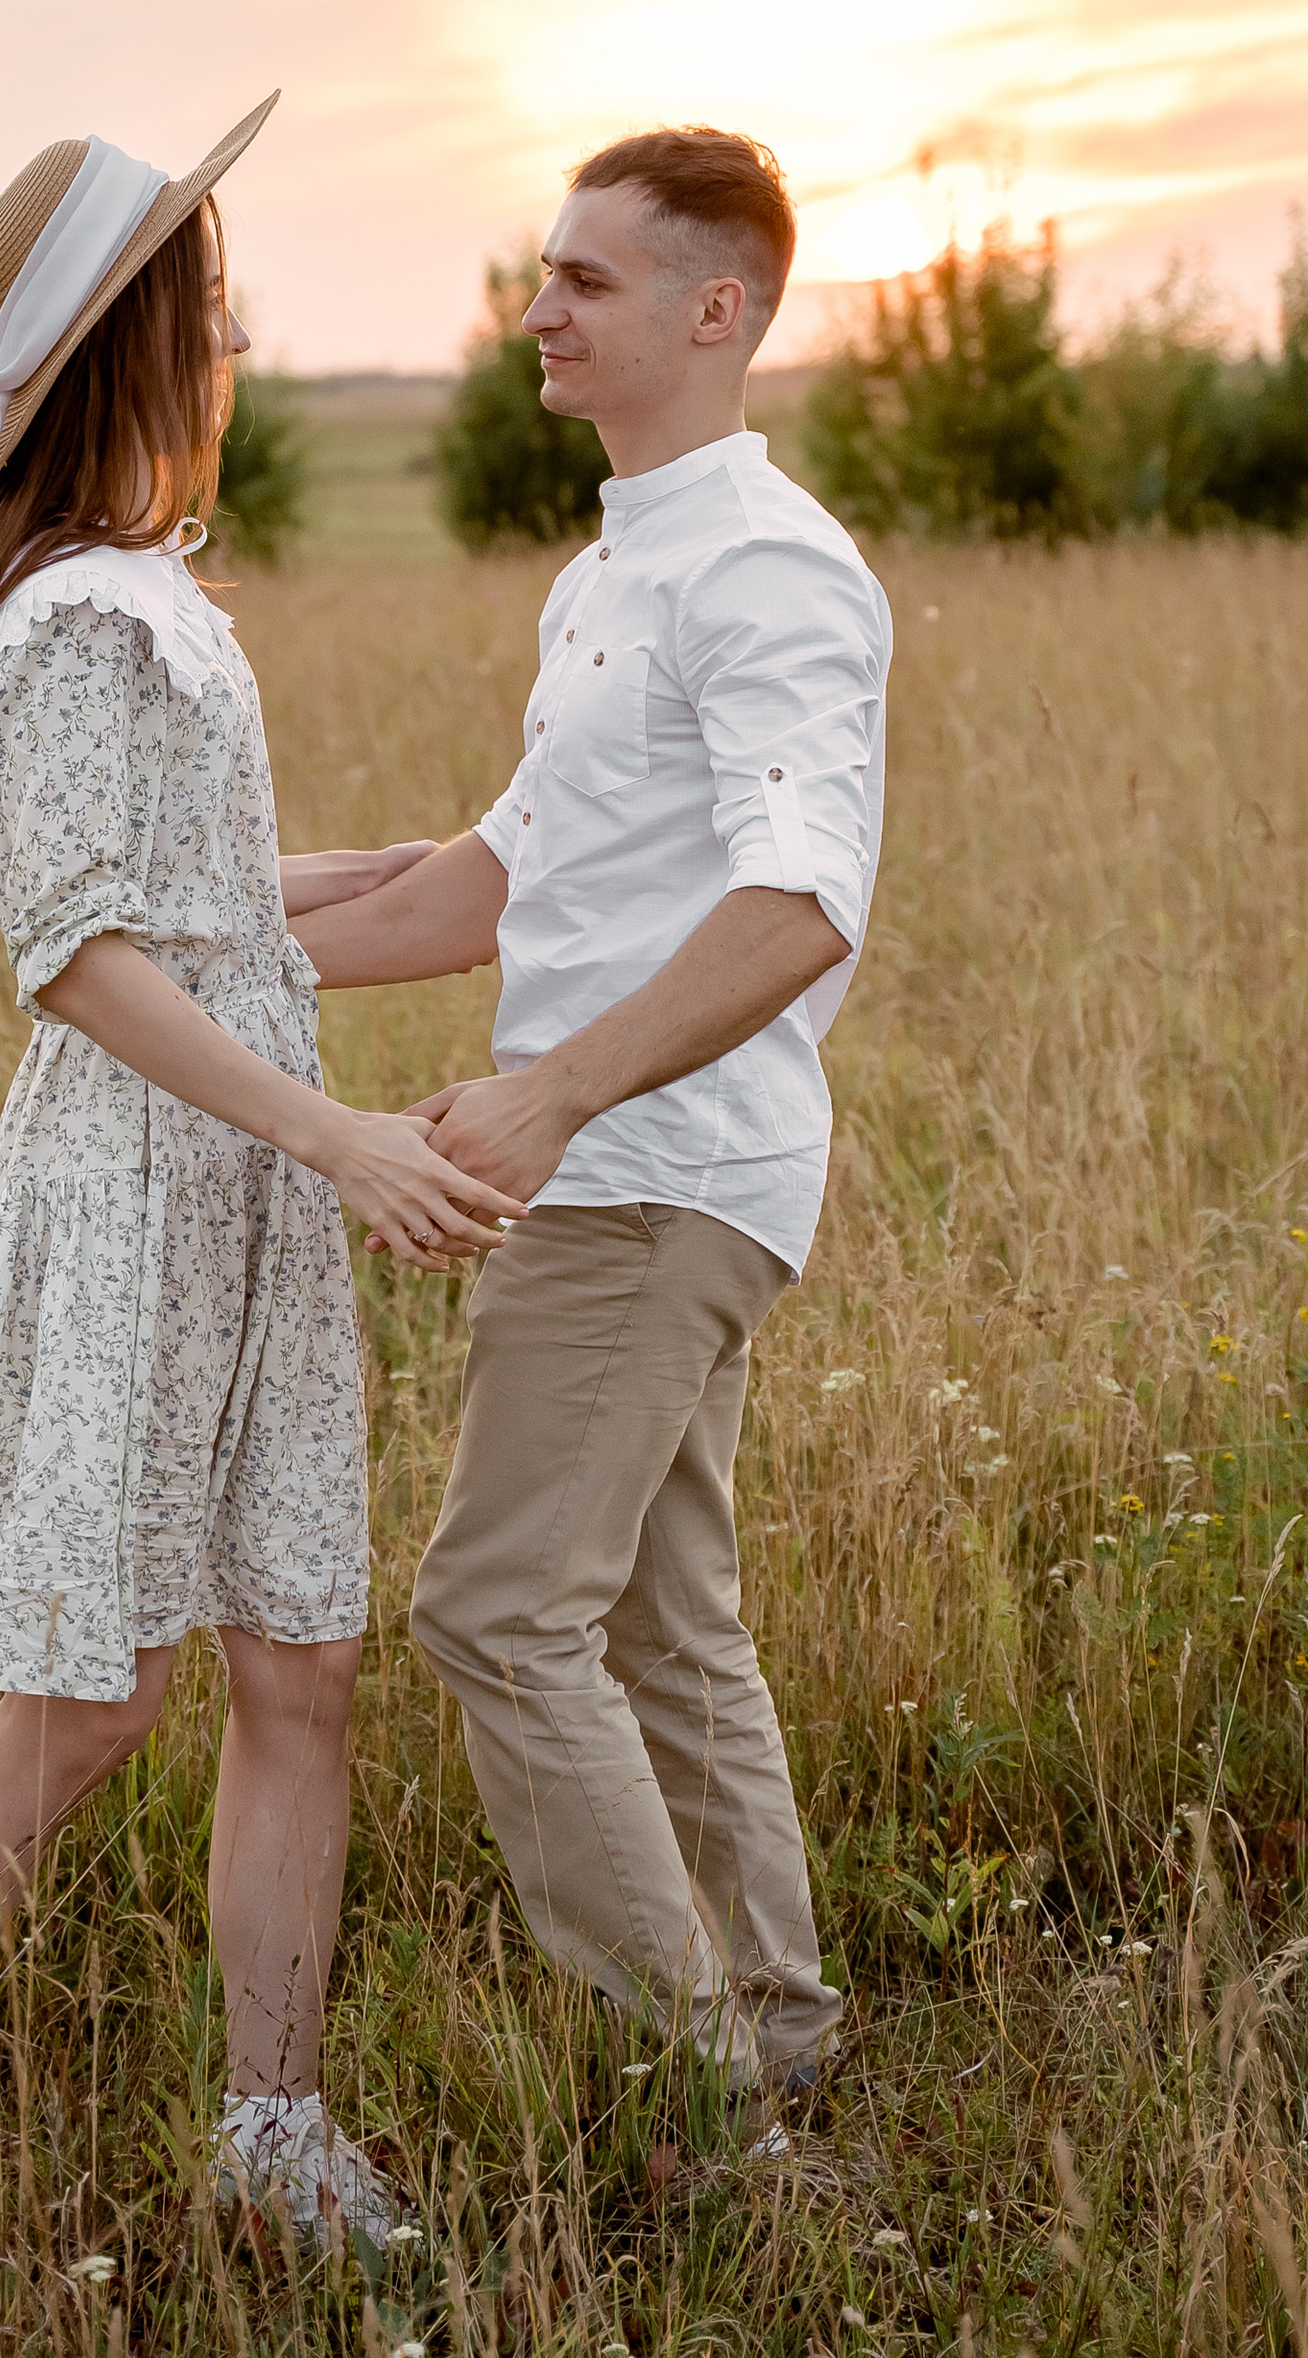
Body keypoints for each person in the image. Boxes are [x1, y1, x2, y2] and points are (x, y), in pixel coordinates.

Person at [0, 96, 517, 2245]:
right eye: (211, 294)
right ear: (143, 334)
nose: (236, 329)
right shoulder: (65, 620)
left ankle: (270, 2136)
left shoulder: (148, 591)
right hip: (146, 1187)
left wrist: (427, 873)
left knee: (302, 1660)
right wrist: (343, 1134)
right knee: (95, 1689)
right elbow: (77, 956)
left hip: (252, 1179)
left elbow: (185, 893)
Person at [297, 126, 889, 2135]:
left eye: (585, 280)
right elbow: (493, 883)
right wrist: (194, 938)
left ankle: (702, 2115)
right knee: (653, 1619)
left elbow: (802, 897)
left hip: (647, 1180)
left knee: (491, 1612)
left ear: (714, 311)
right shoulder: (607, 573)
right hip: (627, 1168)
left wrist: (549, 1092)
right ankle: (783, 2046)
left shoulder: (767, 574)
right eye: (539, 273)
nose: (534, 308)